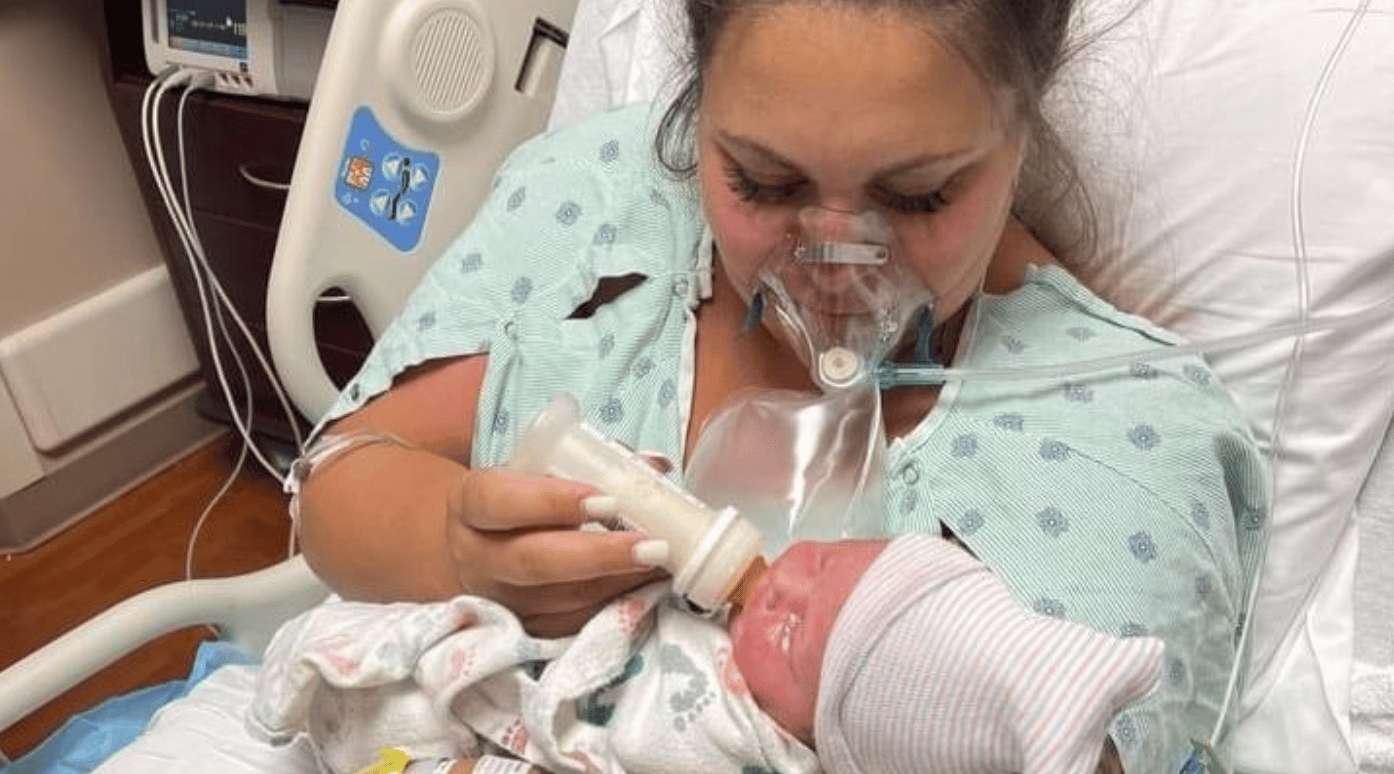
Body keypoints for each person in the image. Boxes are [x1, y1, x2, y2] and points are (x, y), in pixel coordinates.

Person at [290, 0, 1267, 771]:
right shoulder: (594, 211)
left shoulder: (1125, 441)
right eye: (761, 180)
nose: (833, 264)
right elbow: (340, 480)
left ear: (1023, 123)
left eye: (919, 195)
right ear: (700, 110)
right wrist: (458, 548)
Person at [253, 533, 1160, 774]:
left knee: (398, 717)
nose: (788, 583)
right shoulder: (729, 622)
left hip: (509, 731)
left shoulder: (753, 750)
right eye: (836, 557)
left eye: (800, 638)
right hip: (534, 656)